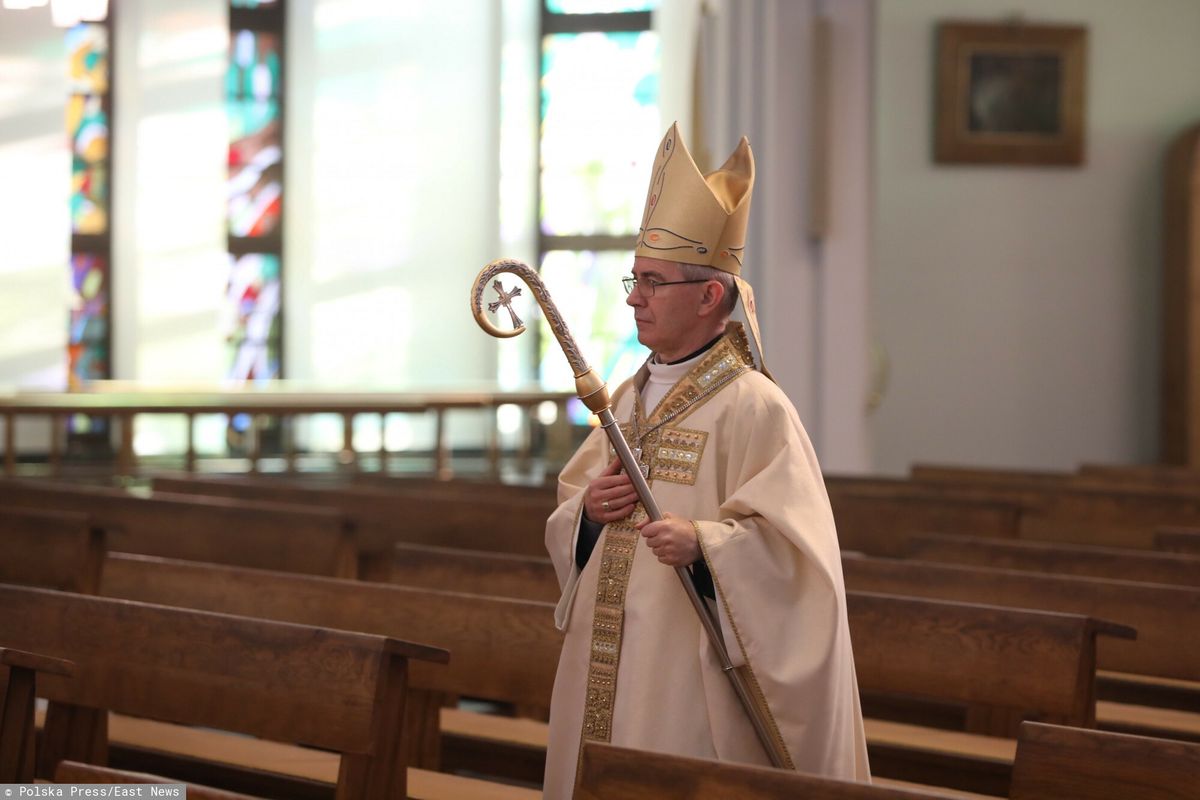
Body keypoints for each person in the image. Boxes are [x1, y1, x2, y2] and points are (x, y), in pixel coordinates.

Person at [542, 122, 870, 797]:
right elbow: (570, 510)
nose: (634, 296)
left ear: (709, 295)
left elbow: (801, 565)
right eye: (635, 279)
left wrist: (707, 544)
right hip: (607, 667)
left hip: (684, 688)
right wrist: (587, 517)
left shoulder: (756, 409)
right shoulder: (627, 399)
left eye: (653, 282)